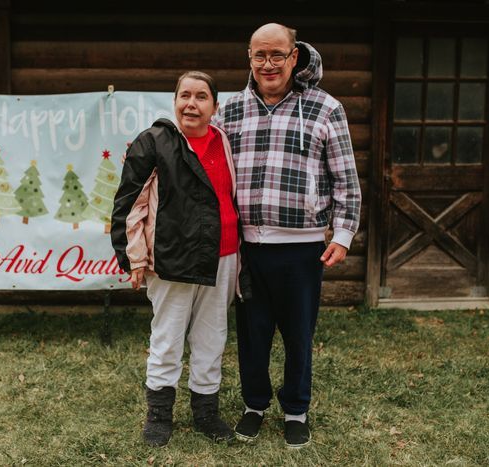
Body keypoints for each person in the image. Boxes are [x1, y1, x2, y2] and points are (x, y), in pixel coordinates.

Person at [213, 23, 362, 449]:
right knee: (253, 332)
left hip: (303, 248)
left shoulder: (326, 108)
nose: (268, 64)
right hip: (247, 249)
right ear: (249, 58)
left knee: (299, 334)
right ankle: (254, 406)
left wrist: (344, 233)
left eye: (277, 55)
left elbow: (346, 181)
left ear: (295, 56)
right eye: (260, 55)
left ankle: (296, 410)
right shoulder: (230, 110)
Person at [111, 71, 239, 447]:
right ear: (174, 101)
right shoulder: (154, 142)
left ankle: (206, 413)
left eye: (201, 97)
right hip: (173, 257)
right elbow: (128, 204)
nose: (191, 104)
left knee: (212, 338)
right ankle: (159, 416)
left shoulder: (224, 142)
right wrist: (132, 257)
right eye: (185, 95)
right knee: (167, 338)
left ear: (215, 106)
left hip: (224, 255)